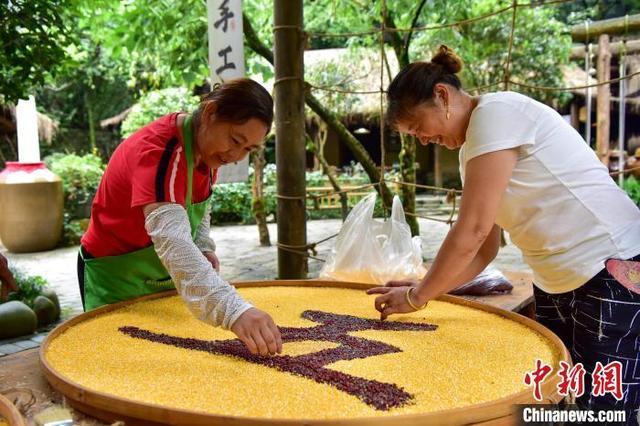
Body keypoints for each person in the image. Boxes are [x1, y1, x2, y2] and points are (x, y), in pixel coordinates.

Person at [368, 45, 640, 421]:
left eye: (417, 127)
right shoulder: (472, 152)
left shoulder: (497, 114)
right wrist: (426, 283)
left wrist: (418, 297)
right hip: (557, 282)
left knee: (607, 409)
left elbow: (474, 231)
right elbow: (485, 251)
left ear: (442, 96)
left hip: (610, 267)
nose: (422, 139)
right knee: (557, 398)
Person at [79, 78, 282, 356]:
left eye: (247, 149)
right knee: (122, 360)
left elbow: (201, 205)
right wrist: (235, 311)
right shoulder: (161, 152)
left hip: (160, 275)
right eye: (235, 140)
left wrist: (202, 246)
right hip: (116, 276)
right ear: (210, 113)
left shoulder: (209, 152)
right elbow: (173, 241)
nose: (235, 155)